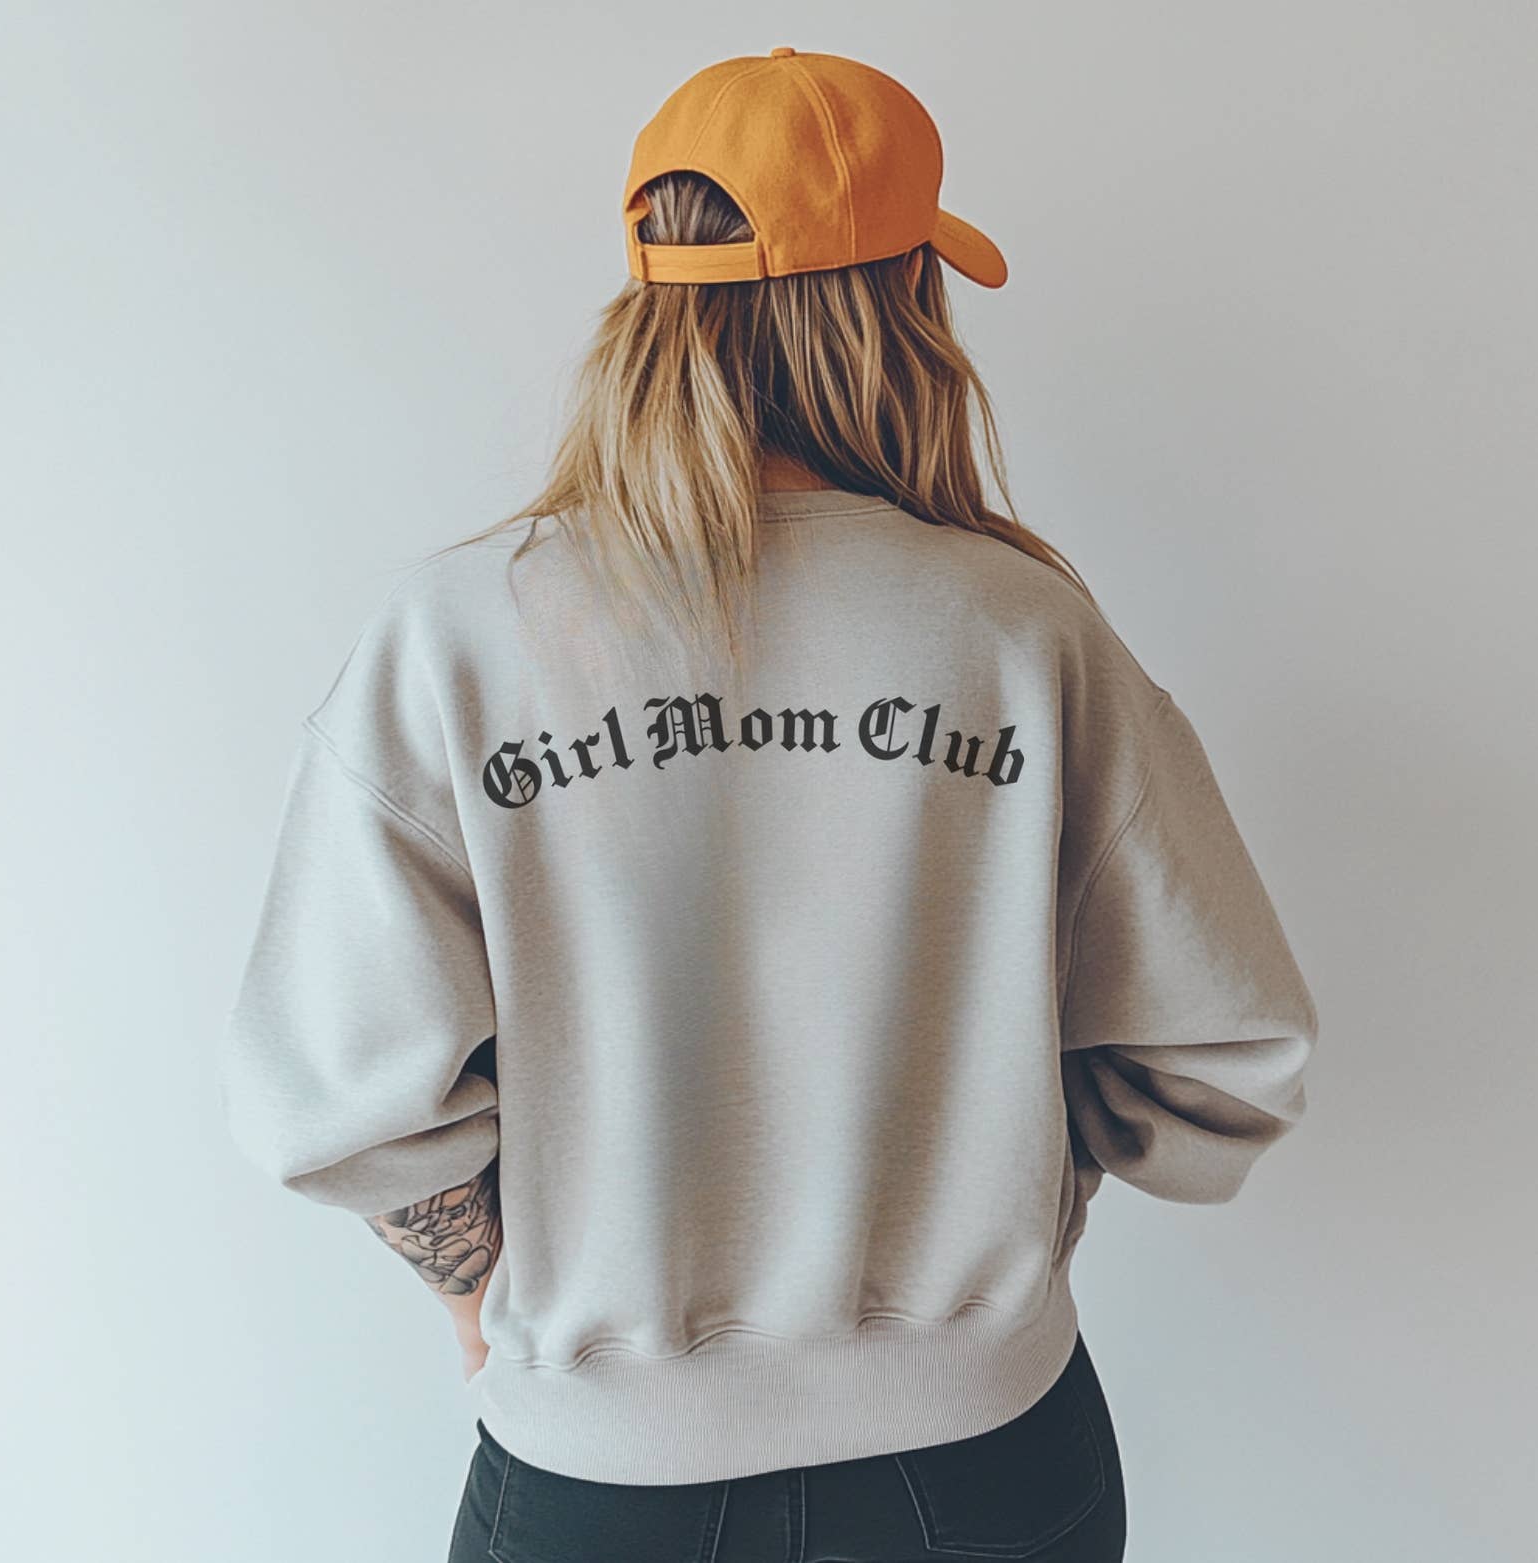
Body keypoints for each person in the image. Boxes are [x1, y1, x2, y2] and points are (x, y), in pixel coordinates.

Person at [218, 45, 1319, 1563]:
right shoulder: (1020, 634)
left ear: (647, 294)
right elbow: (1222, 1056)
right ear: (903, 302)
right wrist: (989, 1195)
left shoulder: (455, 639)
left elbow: (339, 1096)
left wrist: (482, 1301)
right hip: (983, 1465)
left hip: (596, 1486)